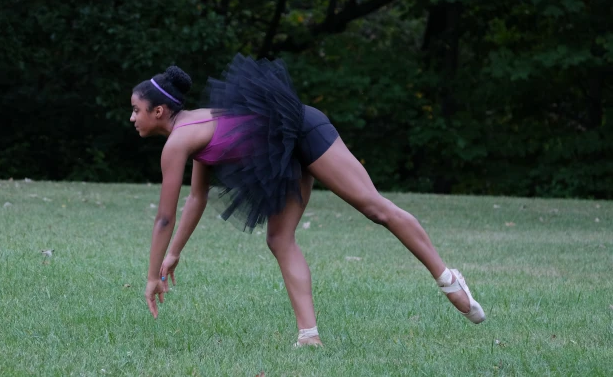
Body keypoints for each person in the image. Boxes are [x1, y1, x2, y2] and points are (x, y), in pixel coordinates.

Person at [131, 55, 485, 347]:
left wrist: (150, 276)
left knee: (376, 208)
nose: (132, 117)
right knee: (278, 238)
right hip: (282, 154)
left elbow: (164, 218)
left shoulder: (177, 142)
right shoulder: (188, 134)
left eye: (137, 109)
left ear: (159, 111)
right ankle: (309, 336)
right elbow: (196, 197)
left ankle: (448, 279)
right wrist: (174, 254)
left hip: (303, 129)